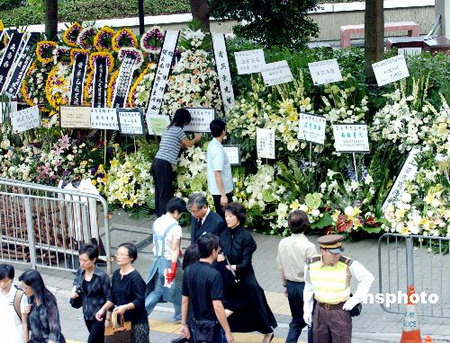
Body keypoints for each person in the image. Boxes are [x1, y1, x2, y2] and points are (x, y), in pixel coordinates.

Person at [218, 202, 277, 343]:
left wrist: (230, 267)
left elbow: (245, 264)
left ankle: (268, 331)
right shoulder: (224, 233)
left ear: (239, 217)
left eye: (230, 216)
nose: (227, 219)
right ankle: (225, 333)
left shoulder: (246, 237)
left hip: (244, 276)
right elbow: (222, 251)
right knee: (227, 307)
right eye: (226, 216)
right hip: (229, 277)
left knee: (255, 304)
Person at [303, 234, 374, 343]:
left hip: (340, 311)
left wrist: (356, 298)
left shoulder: (347, 264)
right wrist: (306, 308)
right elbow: (308, 285)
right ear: (323, 250)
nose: (338, 255)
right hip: (319, 311)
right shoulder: (311, 264)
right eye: (334, 253)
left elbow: (368, 278)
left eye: (339, 251)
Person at [180, 233, 235, 343]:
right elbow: (217, 306)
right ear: (213, 251)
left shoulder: (188, 270)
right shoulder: (214, 274)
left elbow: (185, 300)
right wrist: (228, 332)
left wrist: (183, 324)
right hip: (212, 327)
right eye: (218, 248)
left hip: (194, 324)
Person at [152, 108, 202, 217]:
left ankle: (160, 215)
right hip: (164, 164)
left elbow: (180, 145)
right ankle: (166, 217)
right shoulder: (178, 130)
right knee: (165, 193)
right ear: (184, 121)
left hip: (156, 162)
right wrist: (196, 138)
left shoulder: (168, 129)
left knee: (159, 191)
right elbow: (188, 144)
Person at [96, 243, 150, 343]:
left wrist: (125, 307)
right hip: (121, 321)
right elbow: (113, 297)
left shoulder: (135, 278)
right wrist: (103, 310)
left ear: (131, 258)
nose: (118, 257)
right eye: (117, 254)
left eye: (122, 254)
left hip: (137, 323)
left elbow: (139, 301)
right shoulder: (116, 274)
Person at [277, 210, 317, 343]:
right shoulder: (309, 246)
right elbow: (314, 270)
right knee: (312, 320)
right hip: (306, 287)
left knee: (296, 320)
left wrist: (285, 285)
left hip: (290, 285)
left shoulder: (283, 243)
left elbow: (281, 267)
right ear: (306, 225)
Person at [145, 197, 186, 322]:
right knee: (180, 288)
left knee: (157, 291)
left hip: (157, 261)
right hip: (168, 262)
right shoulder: (175, 227)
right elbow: (174, 249)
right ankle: (179, 316)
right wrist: (174, 267)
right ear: (176, 212)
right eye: (181, 213)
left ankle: (141, 313)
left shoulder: (157, 221)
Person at [70, 243, 111, 343]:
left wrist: (107, 317)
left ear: (93, 260)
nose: (82, 263)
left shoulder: (101, 276)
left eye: (85, 260)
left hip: (99, 316)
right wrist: (73, 290)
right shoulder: (81, 271)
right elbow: (76, 282)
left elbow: (110, 298)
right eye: (80, 259)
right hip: (87, 314)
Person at [19, 269, 65, 343]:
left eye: (26, 288)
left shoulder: (49, 300)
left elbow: (54, 327)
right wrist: (24, 315)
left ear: (34, 287)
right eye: (23, 287)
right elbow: (26, 325)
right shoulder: (29, 298)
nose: (24, 291)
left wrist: (52, 340)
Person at [207, 119, 234, 218]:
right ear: (223, 131)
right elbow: (217, 173)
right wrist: (223, 195)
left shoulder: (212, 144)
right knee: (226, 218)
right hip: (222, 191)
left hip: (218, 189)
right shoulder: (218, 150)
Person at [0, 264, 26, 343]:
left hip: (17, 338)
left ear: (12, 279)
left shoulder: (20, 295)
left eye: (5, 281)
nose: (2, 284)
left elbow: (25, 323)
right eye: (0, 281)